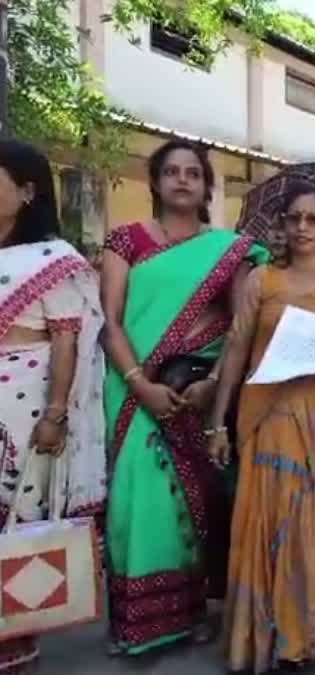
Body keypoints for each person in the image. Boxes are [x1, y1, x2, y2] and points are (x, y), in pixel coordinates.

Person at [101, 140, 269, 656]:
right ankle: (133, 620)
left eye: (192, 173)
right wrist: (141, 384)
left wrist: (215, 383)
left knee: (193, 503)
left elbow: (243, 327)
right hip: (133, 388)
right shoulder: (125, 240)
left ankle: (191, 610)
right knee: (135, 503)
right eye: (170, 172)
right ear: (154, 183)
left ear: (205, 186)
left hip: (196, 391)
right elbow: (110, 322)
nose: (181, 180)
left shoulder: (231, 250)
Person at [209, 182, 315, 673]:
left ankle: (301, 640)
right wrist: (216, 424)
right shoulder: (262, 280)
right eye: (294, 218)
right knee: (261, 521)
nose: (302, 228)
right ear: (283, 225)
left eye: (313, 219)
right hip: (267, 416)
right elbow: (237, 351)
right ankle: (256, 639)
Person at [0, 141, 106, 675]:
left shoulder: (53, 260)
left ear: (27, 191)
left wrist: (55, 413)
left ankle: (15, 652)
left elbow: (67, 341)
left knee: (14, 524)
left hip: (24, 409)